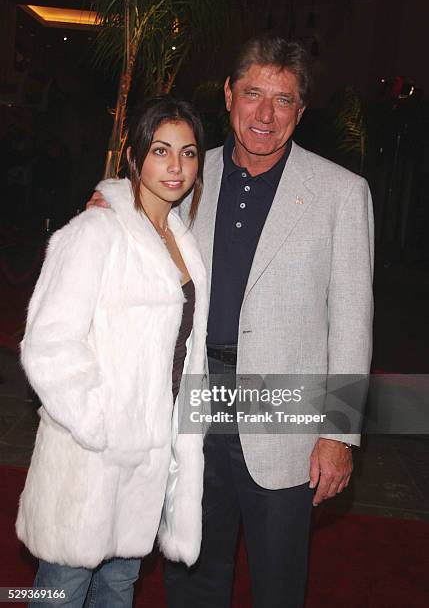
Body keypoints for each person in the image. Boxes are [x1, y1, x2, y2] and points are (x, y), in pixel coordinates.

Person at [89, 36, 374, 608]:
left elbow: (351, 321)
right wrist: (107, 203)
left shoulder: (341, 192)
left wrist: (339, 434)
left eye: (284, 100)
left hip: (285, 410)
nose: (265, 114)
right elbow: (135, 205)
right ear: (228, 95)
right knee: (192, 571)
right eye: (253, 94)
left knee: (277, 581)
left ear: (301, 110)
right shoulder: (191, 171)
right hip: (195, 399)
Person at [16, 96, 209, 608]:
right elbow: (48, 343)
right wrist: (100, 424)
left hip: (152, 454)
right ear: (133, 155)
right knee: (63, 589)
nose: (175, 166)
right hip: (91, 457)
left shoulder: (184, 241)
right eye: (161, 150)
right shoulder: (96, 231)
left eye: (188, 153)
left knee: (120, 587)